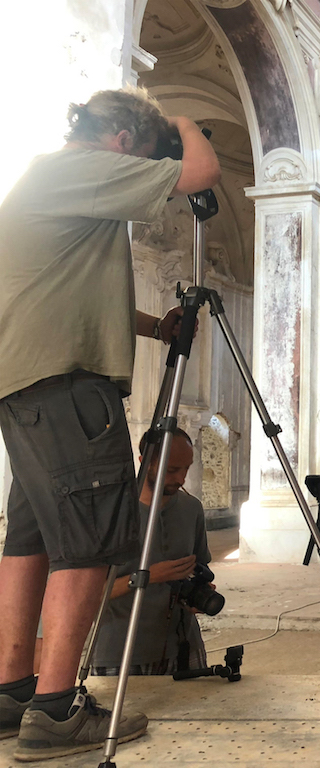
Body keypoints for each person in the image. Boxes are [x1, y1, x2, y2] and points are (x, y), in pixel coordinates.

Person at [0, 87, 220, 760]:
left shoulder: (50, 179)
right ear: (123, 139)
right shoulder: (89, 165)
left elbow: (68, 289)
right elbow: (201, 174)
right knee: (92, 540)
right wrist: (182, 127)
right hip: (70, 385)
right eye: (146, 152)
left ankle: (12, 690)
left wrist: (155, 328)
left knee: (31, 537)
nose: (148, 166)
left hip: (26, 383)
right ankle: (60, 710)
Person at [91, 429, 211, 676]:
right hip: (121, 650)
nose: (181, 479)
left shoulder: (191, 509)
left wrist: (198, 594)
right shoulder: (110, 513)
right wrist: (147, 576)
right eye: (171, 470)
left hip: (183, 646)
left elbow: (200, 567)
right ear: (144, 462)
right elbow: (88, 595)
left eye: (186, 468)